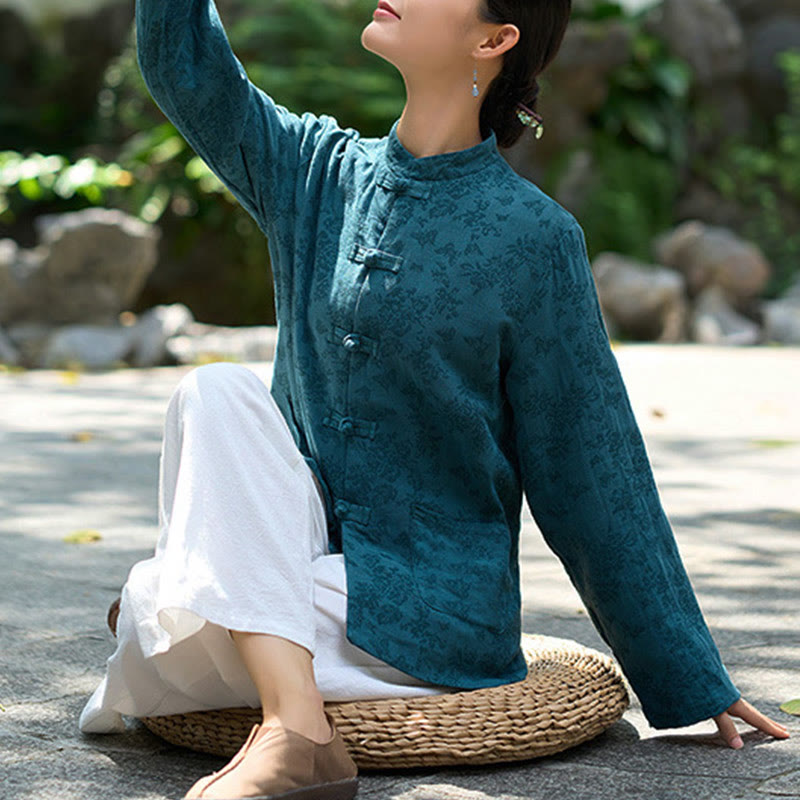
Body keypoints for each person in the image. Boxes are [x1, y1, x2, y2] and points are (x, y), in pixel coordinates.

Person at [78, 0, 790, 798]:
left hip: (432, 617)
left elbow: (591, 470)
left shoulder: (535, 237)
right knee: (214, 391)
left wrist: (690, 673)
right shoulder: (314, 172)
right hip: (307, 578)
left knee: (173, 602)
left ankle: (266, 698)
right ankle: (297, 723)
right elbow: (189, 75)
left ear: (494, 38)